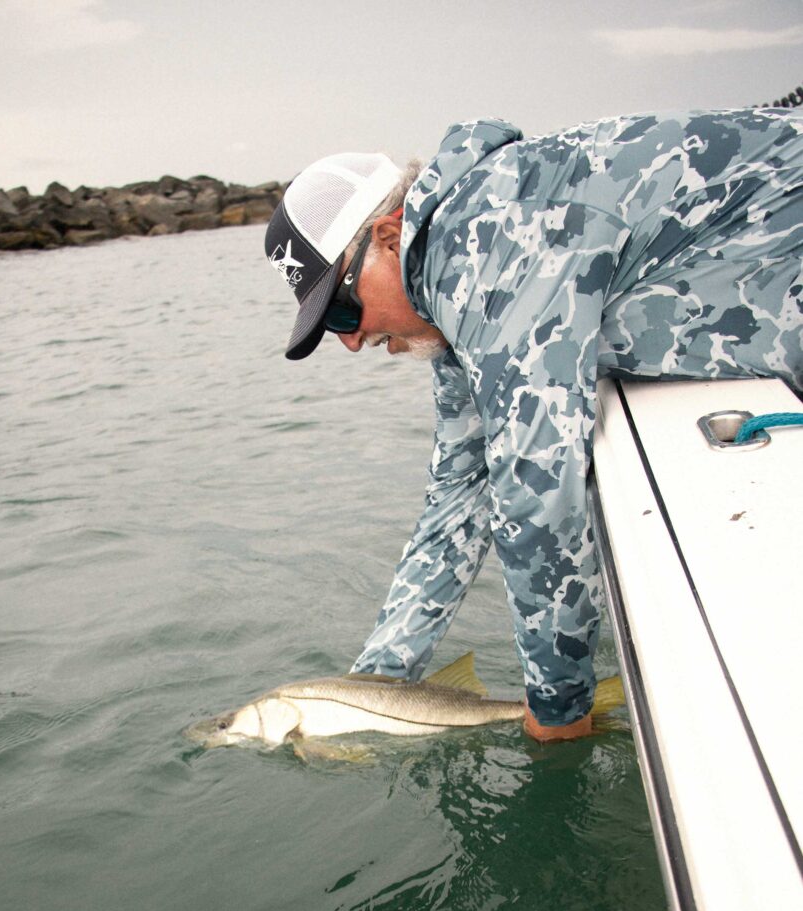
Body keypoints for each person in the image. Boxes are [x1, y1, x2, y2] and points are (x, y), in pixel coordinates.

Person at [264, 109, 803, 741]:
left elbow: (538, 499)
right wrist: (370, 692)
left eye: (341, 310)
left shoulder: (489, 240)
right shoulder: (454, 307)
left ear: (388, 237)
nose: (351, 341)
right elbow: (458, 500)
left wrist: (560, 712)